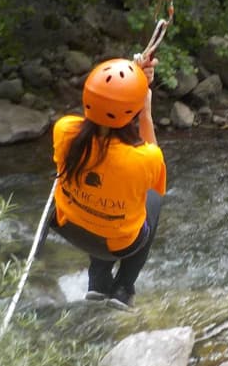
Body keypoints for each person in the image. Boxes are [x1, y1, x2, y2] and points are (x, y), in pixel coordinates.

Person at [50, 57, 166, 311]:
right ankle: (123, 288)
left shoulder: (63, 130)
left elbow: (97, 115)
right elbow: (155, 181)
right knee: (154, 198)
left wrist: (130, 85)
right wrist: (145, 111)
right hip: (120, 244)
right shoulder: (144, 159)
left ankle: (98, 281)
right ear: (133, 112)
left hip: (69, 226)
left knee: (101, 188)